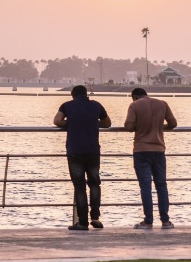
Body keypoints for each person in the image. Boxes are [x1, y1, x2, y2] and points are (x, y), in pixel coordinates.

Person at [53, 84, 112, 231]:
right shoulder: (96, 105)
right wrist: (91, 122)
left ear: (73, 95)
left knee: (79, 187)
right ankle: (95, 217)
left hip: (75, 151)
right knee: (94, 184)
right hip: (92, 151)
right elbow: (107, 123)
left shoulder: (67, 105)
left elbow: (57, 121)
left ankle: (83, 222)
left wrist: (72, 123)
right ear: (87, 94)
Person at [124, 87, 177, 229]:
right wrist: (159, 126)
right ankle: (165, 221)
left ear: (134, 96)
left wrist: (140, 126)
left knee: (145, 186)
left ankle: (148, 221)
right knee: (161, 185)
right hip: (159, 150)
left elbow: (128, 126)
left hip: (141, 150)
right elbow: (173, 124)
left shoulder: (134, 105)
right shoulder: (162, 103)